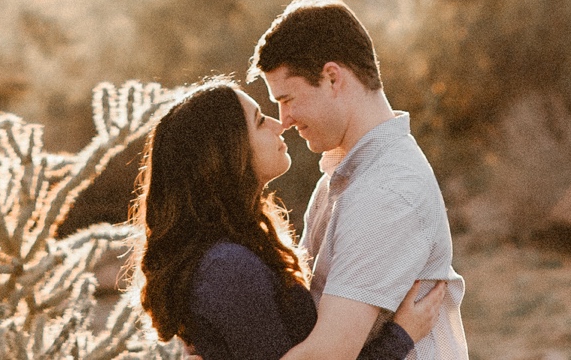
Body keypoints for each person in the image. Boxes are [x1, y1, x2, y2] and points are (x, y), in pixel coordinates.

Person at [134, 79, 449, 360]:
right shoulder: (226, 268)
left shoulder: (235, 251)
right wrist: (401, 336)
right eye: (259, 121)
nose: (278, 123)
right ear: (228, 153)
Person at [249, 0, 468, 360]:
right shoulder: (343, 179)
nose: (284, 121)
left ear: (332, 79)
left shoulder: (386, 192)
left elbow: (326, 355)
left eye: (287, 99)